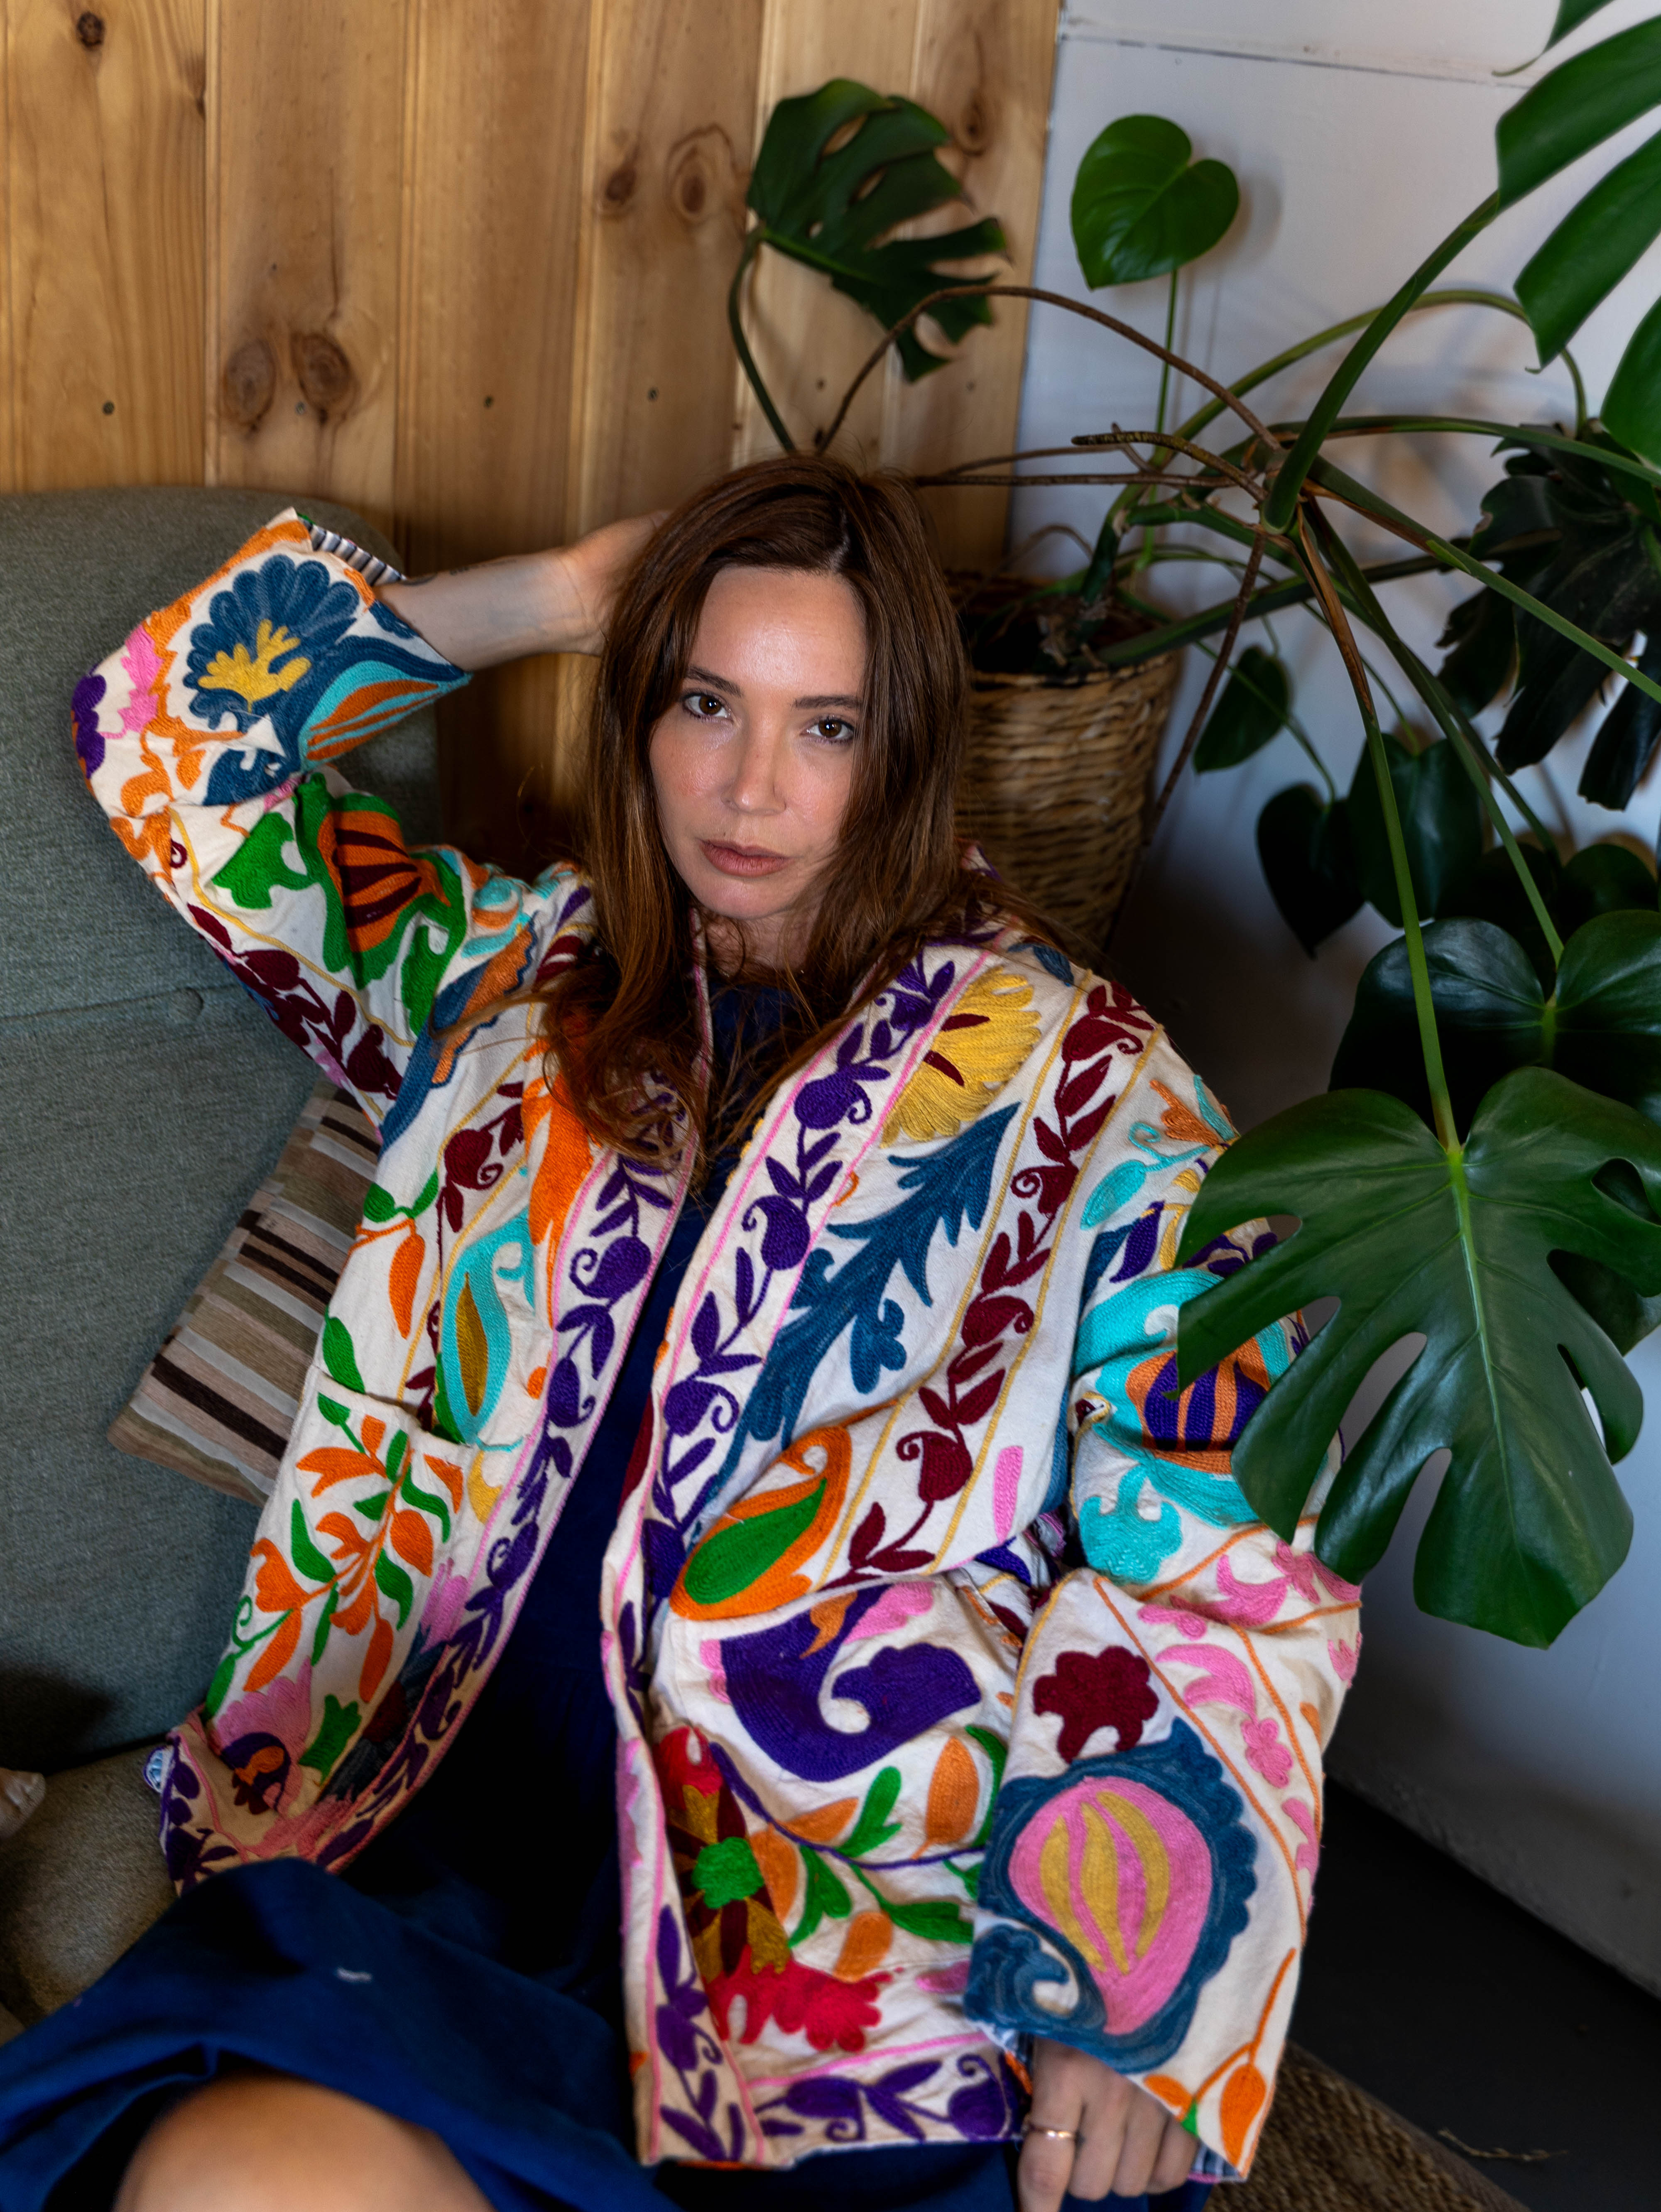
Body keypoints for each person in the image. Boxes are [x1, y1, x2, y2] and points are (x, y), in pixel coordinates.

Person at [0, 458, 1357, 2212]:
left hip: (821, 1905)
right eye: (705, 702)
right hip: (419, 1820)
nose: (751, 787)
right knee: (231, 2176)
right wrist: (567, 591)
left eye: (826, 727)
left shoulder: (1102, 1096)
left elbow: (1226, 1553)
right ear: (638, 711)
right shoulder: (500, 981)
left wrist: (1125, 1984)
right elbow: (167, 742)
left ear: (905, 750)